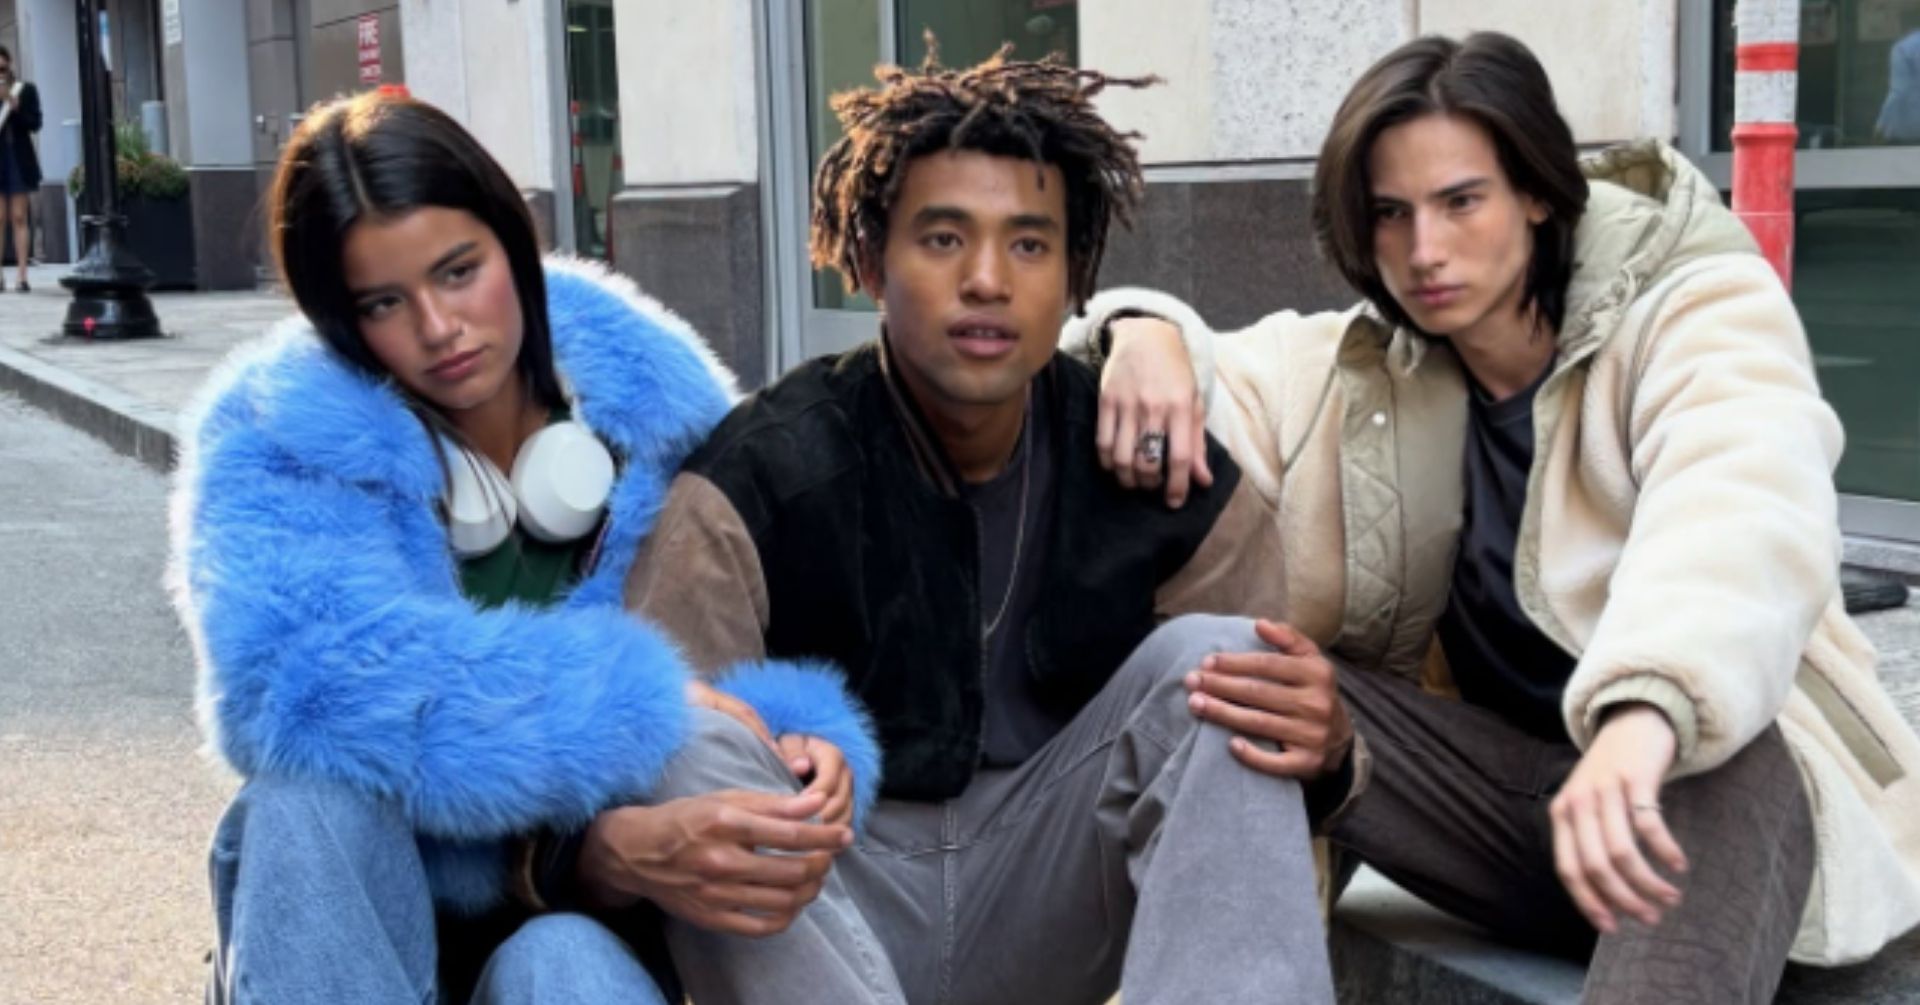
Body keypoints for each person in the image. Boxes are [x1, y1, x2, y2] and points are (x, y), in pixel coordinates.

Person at [1069, 31, 1920, 1003]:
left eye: (1460, 201)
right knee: (1246, 677)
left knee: (1723, 755)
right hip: (1516, 819)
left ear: (1538, 193)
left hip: (1710, 821)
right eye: (1391, 214)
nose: (1424, 251)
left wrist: (1645, 722)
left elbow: (1739, 503)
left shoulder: (1691, 309)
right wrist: (1139, 332)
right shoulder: (1371, 373)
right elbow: (1208, 381)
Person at [552, 44, 1348, 1005]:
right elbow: (646, 773)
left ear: (1076, 272)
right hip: (832, 906)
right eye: (941, 239)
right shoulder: (760, 473)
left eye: (1028, 244)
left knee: (1225, 674)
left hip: (1055, 888)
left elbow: (1263, 773)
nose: (985, 279)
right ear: (868, 263)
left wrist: (1334, 745)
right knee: (680, 727)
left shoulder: (1160, 472)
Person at [168, 91, 878, 1004]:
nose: (438, 328)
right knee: (306, 801)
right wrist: (643, 701)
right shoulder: (285, 437)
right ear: (342, 320)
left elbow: (776, 628)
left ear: (511, 239)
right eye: (384, 301)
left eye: (459, 271)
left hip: (599, 928)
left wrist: (805, 735)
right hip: (364, 916)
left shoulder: (661, 411)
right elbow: (303, 687)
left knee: (564, 960)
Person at [0, 45, 42, 292]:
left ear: (10, 64)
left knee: (18, 216)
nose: (0, 74)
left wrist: (15, 109)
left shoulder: (26, 91)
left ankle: (22, 276)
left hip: (18, 158)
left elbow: (35, 123)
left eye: (3, 68)